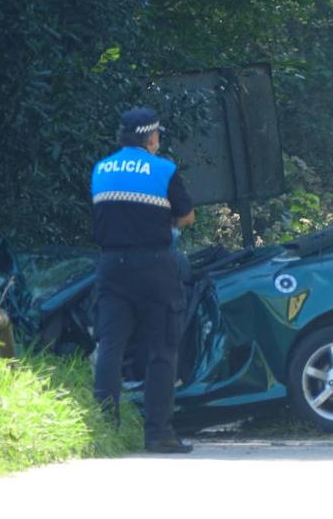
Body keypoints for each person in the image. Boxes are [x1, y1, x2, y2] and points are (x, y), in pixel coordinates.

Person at [91, 106, 196, 454]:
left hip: (110, 266)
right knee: (162, 349)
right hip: (154, 268)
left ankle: (105, 429)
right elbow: (187, 216)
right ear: (151, 137)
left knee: (110, 346)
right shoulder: (164, 169)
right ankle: (158, 434)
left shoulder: (101, 169)